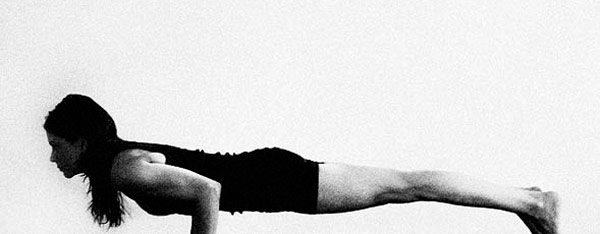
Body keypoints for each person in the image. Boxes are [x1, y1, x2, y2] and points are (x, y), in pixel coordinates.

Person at [43, 94, 560, 234]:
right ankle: (527, 201)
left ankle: (531, 202)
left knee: (403, 187)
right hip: (272, 178)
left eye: (56, 145)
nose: (51, 156)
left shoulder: (126, 169)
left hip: (276, 180)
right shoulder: (123, 167)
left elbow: (207, 191)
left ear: (81, 142)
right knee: (401, 187)